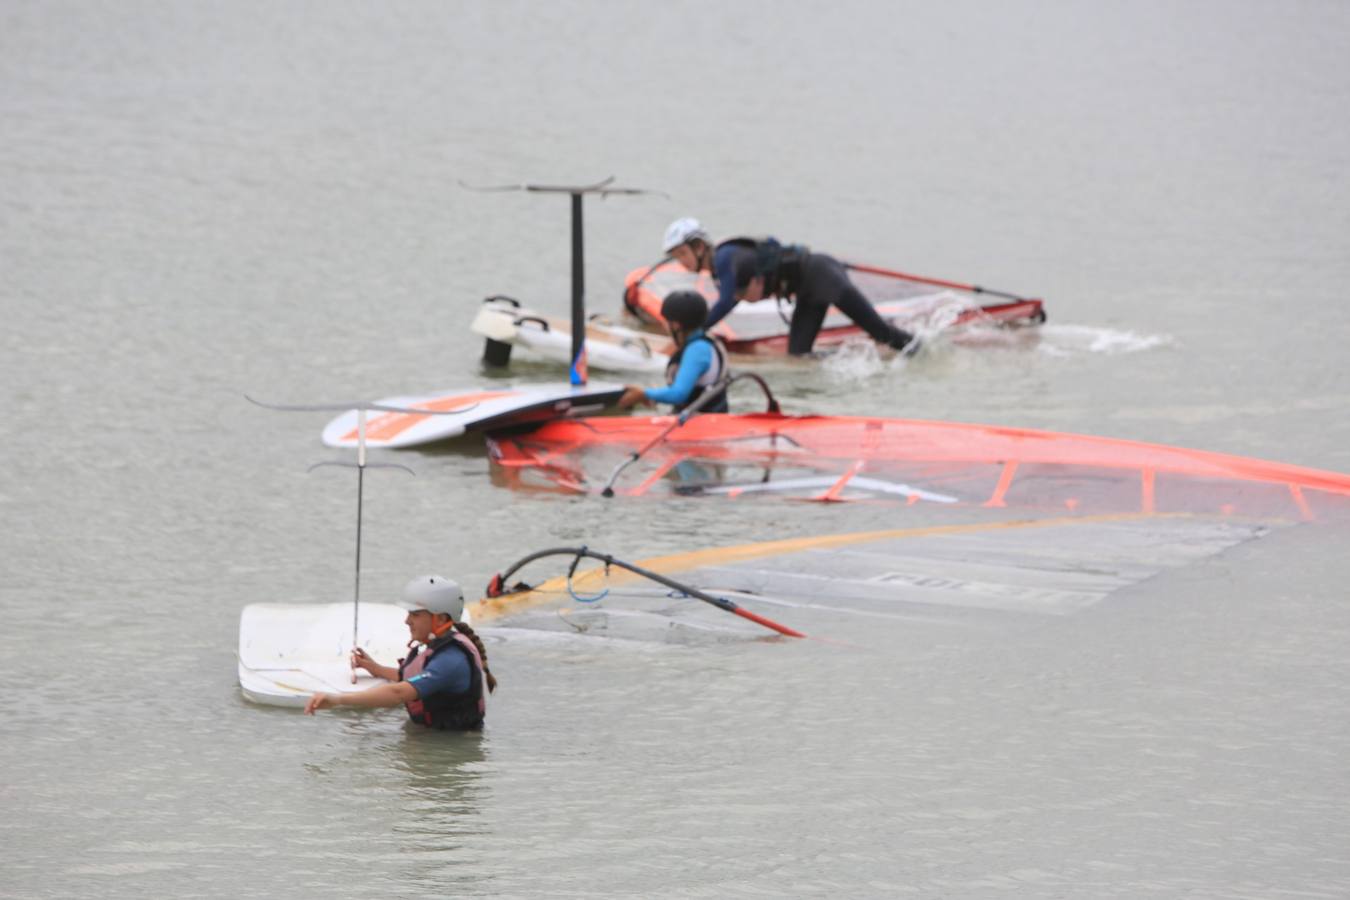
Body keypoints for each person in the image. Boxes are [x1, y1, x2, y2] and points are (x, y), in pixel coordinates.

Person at [661, 217, 919, 357]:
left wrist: (691, 335)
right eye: (676, 257)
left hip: (822, 275)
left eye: (683, 253)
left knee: (880, 332)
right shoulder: (720, 269)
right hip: (808, 292)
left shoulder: (724, 257)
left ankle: (921, 350)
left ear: (699, 246)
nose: (681, 262)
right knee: (798, 356)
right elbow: (733, 299)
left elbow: (726, 302)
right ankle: (844, 362)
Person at [303, 574, 497, 731]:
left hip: (450, 750)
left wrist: (337, 700)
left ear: (439, 619)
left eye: (415, 614)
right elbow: (415, 678)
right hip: (429, 737)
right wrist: (376, 669)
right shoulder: (437, 647)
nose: (407, 621)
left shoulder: (451, 660)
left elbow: (398, 693)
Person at [618, 290, 728, 413]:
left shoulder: (698, 350)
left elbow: (678, 394)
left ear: (675, 325)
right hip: (703, 420)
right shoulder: (703, 342)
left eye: (665, 321)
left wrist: (644, 394)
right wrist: (653, 396)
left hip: (702, 425)